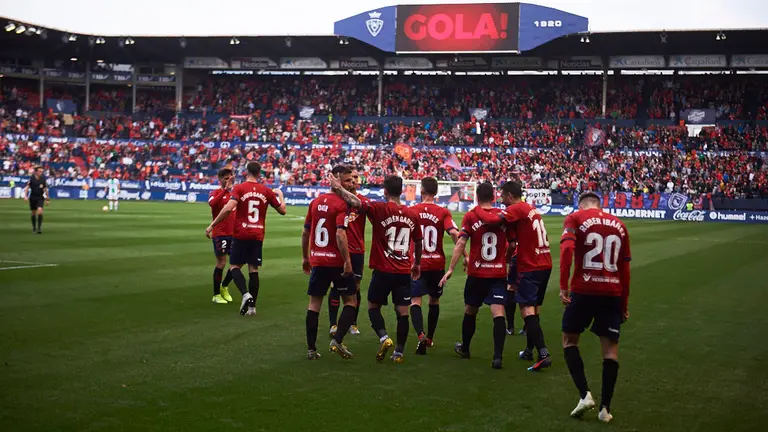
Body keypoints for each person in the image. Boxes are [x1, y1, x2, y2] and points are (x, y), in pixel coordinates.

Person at [330, 174, 422, 364]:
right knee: (403, 312)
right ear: (402, 190)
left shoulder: (379, 208)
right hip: (404, 270)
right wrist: (417, 263)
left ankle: (383, 336)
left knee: (373, 306)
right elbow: (419, 241)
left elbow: (356, 202)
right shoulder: (412, 214)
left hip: (382, 269)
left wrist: (339, 189)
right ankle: (399, 352)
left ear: (385, 191)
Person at [559, 192, 631, 423]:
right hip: (612, 293)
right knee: (610, 351)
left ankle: (584, 395)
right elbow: (626, 269)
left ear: (581, 205)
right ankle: (605, 409)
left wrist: (563, 286)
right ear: (601, 205)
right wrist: (624, 304)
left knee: (569, 340)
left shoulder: (576, 218)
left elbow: (567, 250)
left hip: (584, 289)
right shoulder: (620, 225)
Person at [472, 181, 554, 371]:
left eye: (502, 195)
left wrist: (477, 209)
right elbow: (515, 239)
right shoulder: (529, 209)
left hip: (531, 264)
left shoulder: (517, 208)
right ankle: (528, 350)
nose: (500, 198)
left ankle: (543, 353)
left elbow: (492, 221)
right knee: (534, 309)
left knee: (526, 309)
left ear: (509, 195)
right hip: (545, 262)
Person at [440, 183, 514, 369]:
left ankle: (465, 348)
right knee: (498, 312)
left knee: (470, 310)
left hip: (476, 273)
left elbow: (460, 243)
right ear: (494, 195)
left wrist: (450, 269)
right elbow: (513, 245)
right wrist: (504, 261)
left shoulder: (472, 216)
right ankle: (498, 357)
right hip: (497, 273)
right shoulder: (503, 217)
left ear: (477, 196)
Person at [206, 162, 286, 316]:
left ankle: (245, 294)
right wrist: (281, 196)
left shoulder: (240, 188)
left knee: (234, 266)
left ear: (247, 172)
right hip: (258, 235)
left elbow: (228, 208)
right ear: (259, 173)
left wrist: (212, 225)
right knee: (253, 270)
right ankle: (252, 308)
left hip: (241, 233)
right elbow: (282, 211)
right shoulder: (267, 191)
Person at [302, 166, 359, 360]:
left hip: (318, 260)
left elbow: (305, 232)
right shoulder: (342, 204)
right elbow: (340, 233)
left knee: (314, 304)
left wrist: (305, 257)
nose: (351, 184)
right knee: (351, 301)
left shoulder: (315, 202)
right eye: (348, 181)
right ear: (337, 181)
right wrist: (347, 261)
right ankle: (337, 339)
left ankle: (311, 349)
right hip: (336, 262)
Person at [408, 177, 462, 354]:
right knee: (434, 299)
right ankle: (430, 338)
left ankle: (420, 334)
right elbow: (455, 233)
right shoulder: (443, 212)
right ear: (436, 192)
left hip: (417, 263)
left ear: (421, 191)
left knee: (415, 300)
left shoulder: (412, 210)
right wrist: (465, 254)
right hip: (437, 264)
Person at [328, 167, 366, 338]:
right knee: (336, 287)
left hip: (357, 250)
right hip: (339, 250)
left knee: (355, 288)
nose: (354, 181)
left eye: (356, 178)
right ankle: (333, 324)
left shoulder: (362, 201)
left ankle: (353, 323)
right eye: (350, 178)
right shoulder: (336, 201)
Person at [208, 168, 236, 304]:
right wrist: (225, 190)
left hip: (235, 234)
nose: (229, 180)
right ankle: (216, 294)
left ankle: (224, 286)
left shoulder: (236, 193)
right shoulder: (216, 193)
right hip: (220, 234)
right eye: (226, 178)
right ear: (220, 180)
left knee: (237, 263)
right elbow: (212, 204)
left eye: (230, 177)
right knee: (222, 263)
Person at [23, 167, 48, 234]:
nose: (41, 173)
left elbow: (45, 189)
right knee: (33, 212)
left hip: (40, 198)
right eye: (40, 171)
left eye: (42, 171)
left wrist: (47, 199)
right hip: (33, 198)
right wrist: (25, 196)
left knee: (40, 211)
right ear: (36, 172)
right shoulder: (32, 179)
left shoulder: (43, 179)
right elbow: (27, 187)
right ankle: (34, 228)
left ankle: (39, 228)